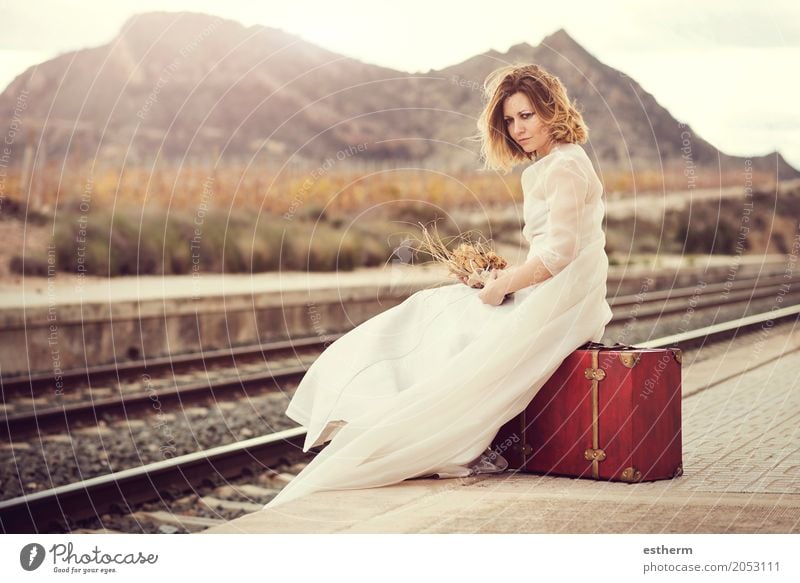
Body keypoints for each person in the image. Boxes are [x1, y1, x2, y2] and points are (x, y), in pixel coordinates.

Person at [263, 63, 613, 510]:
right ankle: (388, 413)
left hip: (564, 298)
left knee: (440, 316)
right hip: (561, 289)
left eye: (527, 115)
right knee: (439, 310)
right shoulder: (551, 165)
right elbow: (552, 251)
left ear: (551, 110)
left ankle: (402, 425)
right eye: (509, 120)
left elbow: (561, 252)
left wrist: (503, 284)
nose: (518, 128)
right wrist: (497, 277)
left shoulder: (564, 165)